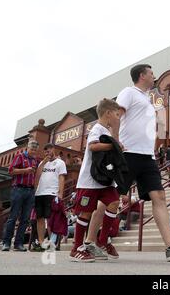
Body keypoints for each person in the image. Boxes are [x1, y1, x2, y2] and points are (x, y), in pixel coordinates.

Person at [116, 64, 170, 262]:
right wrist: (114, 139)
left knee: (159, 196)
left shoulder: (147, 99)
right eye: (152, 73)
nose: (154, 76)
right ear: (141, 75)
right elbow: (116, 115)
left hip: (147, 156)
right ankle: (89, 240)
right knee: (112, 199)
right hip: (128, 152)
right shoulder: (128, 92)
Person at [69, 98, 122, 262]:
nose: (118, 117)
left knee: (114, 203)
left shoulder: (108, 131)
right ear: (108, 113)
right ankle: (77, 247)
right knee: (86, 212)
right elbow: (92, 146)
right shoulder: (97, 129)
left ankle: (103, 241)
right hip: (90, 180)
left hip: (105, 179)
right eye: (116, 114)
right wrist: (114, 146)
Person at [2, 140, 40, 252]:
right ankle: (6, 243)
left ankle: (18, 244)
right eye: (32, 149)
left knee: (25, 219)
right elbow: (11, 171)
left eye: (35, 150)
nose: (33, 152)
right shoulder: (20, 157)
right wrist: (25, 170)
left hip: (30, 191)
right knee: (13, 217)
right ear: (28, 148)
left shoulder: (35, 160)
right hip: (18, 189)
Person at [31, 143, 67, 252]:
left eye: (49, 150)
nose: (47, 153)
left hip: (52, 193)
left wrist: (60, 193)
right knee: (39, 218)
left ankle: (52, 242)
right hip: (40, 193)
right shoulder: (42, 163)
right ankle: (41, 242)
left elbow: (61, 178)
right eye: (45, 151)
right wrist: (44, 163)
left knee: (51, 218)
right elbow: (37, 176)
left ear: (53, 150)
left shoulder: (60, 162)